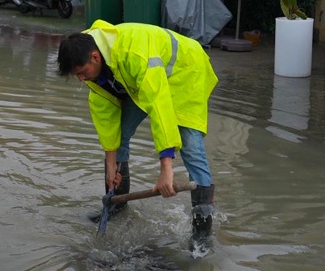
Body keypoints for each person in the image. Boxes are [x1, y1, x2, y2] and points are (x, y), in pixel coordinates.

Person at [56, 20, 219, 251]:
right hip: (140, 81)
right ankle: (116, 205)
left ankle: (202, 235)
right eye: (77, 76)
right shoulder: (91, 63)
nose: (81, 79)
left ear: (95, 57)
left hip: (185, 72)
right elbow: (107, 120)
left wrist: (166, 169)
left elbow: (158, 104)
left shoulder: (133, 52)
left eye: (82, 73)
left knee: (191, 146)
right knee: (120, 132)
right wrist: (111, 165)